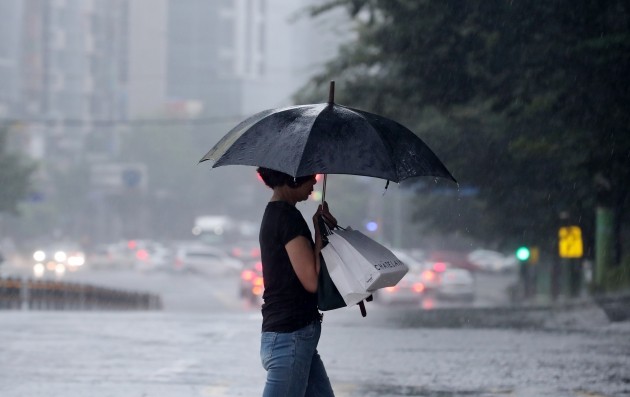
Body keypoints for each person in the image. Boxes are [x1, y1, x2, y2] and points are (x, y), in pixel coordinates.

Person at [257, 167, 337, 397]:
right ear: (292, 177)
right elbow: (312, 280)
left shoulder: (278, 213)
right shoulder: (286, 217)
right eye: (310, 176)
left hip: (295, 337)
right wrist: (320, 235)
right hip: (290, 336)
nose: (315, 181)